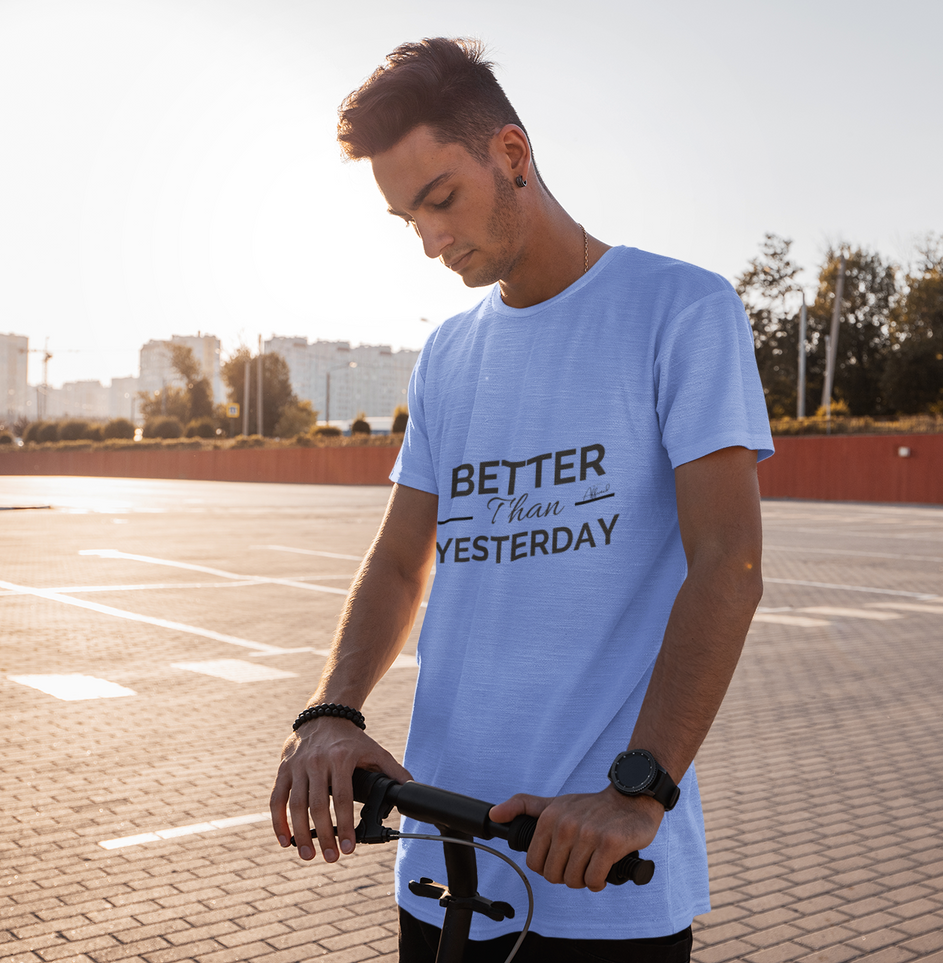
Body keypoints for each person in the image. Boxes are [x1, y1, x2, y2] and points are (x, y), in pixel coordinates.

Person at [270, 38, 772, 962]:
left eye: (440, 199)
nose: (429, 239)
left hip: (599, 876)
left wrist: (637, 791)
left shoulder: (681, 310)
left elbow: (727, 566)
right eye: (404, 219)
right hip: (439, 861)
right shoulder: (448, 354)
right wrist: (330, 712)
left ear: (511, 153)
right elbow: (396, 560)